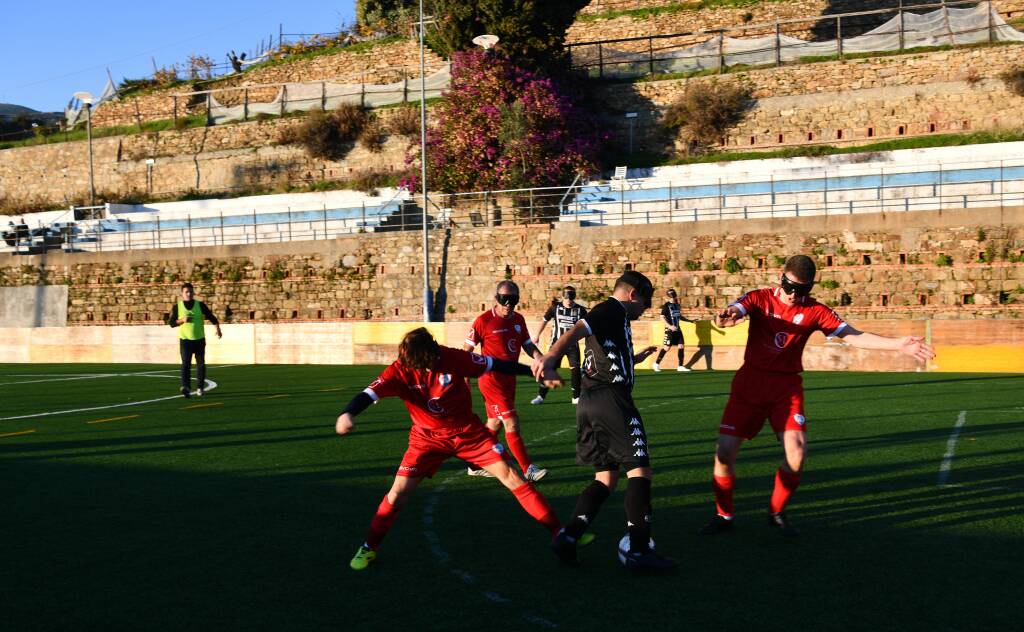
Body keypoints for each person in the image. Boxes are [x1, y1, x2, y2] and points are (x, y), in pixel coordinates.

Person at [699, 255, 936, 537]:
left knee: (797, 454)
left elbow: (852, 335)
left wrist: (898, 344)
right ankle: (724, 515)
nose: (794, 295)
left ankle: (776, 512)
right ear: (780, 278)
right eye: (789, 287)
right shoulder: (760, 299)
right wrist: (728, 316)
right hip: (749, 384)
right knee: (724, 454)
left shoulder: (816, 311)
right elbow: (737, 309)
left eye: (802, 290)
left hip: (785, 390)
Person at [339, 327, 565, 571]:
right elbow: (368, 394)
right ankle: (369, 547)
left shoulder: (452, 358)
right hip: (426, 439)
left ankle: (559, 533)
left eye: (432, 362)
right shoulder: (397, 371)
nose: (429, 369)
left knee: (514, 478)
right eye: (423, 366)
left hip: (469, 434)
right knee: (397, 494)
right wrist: (347, 413)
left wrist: (536, 373)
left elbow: (496, 365)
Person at [535, 271, 677, 571]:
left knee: (606, 478)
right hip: (611, 399)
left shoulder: (615, 319)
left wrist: (637, 357)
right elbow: (577, 330)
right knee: (640, 470)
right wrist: (550, 357)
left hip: (589, 401)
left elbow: (607, 355)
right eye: (646, 301)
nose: (646, 309)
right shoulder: (610, 308)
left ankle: (568, 538)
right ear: (633, 294)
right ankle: (639, 550)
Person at [464, 280, 548, 482]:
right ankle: (528, 469)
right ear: (496, 298)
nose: (508, 303)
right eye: (504, 299)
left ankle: (474, 463)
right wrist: (463, 379)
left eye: (513, 299)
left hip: (510, 381)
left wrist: (542, 360)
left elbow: (528, 346)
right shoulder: (483, 321)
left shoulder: (518, 320)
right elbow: (466, 353)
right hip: (490, 381)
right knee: (511, 422)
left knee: (494, 423)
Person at [531, 286, 588, 405]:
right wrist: (537, 335)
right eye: (567, 297)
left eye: (571, 297)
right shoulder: (555, 307)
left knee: (575, 370)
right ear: (562, 296)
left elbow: (587, 327)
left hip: (572, 346)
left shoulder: (580, 310)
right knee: (549, 369)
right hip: (556, 346)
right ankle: (541, 396)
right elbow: (544, 320)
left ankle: (576, 397)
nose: (569, 300)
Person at [168, 282, 222, 398]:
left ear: (193, 293)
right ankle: (185, 387)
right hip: (185, 340)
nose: (189, 294)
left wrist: (218, 329)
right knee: (185, 364)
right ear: (182, 294)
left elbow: (212, 317)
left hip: (199, 340)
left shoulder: (200, 305)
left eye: (191, 291)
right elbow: (171, 323)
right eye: (186, 292)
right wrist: (182, 320)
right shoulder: (177, 307)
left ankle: (200, 387)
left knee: (200, 365)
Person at [652, 288, 694, 372]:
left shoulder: (677, 305)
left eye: (673, 296)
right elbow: (662, 317)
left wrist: (689, 321)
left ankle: (680, 366)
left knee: (681, 346)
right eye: (671, 297)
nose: (673, 298)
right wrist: (670, 326)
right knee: (666, 348)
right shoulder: (666, 306)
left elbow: (679, 316)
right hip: (670, 330)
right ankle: (656, 364)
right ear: (668, 297)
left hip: (678, 329)